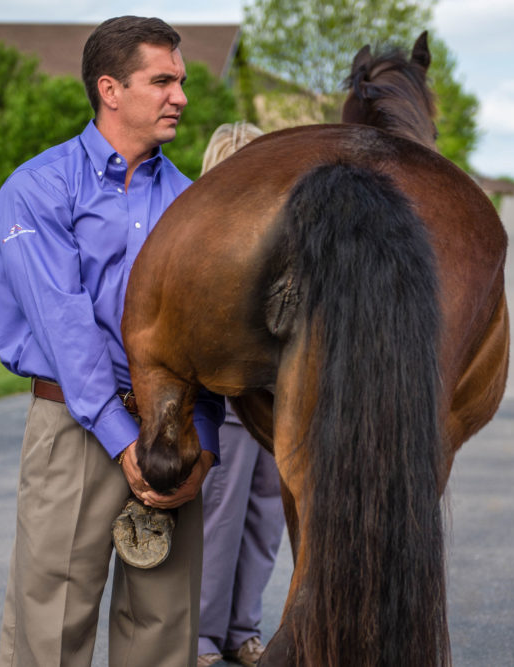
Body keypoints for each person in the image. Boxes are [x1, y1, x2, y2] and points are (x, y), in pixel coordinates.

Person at [0, 16, 224, 667]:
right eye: (163, 80)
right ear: (110, 89)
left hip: (173, 423)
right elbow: (66, 329)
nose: (180, 95)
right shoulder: (36, 191)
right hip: (72, 422)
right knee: (51, 623)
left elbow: (210, 335)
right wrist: (125, 439)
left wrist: (200, 445)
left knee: (163, 625)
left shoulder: (195, 204)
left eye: (180, 80)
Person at [195, 123, 286, 667]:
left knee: (265, 518)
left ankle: (241, 630)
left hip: (276, 403)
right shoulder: (203, 234)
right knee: (221, 520)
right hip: (227, 403)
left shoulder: (284, 233)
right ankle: (203, 637)